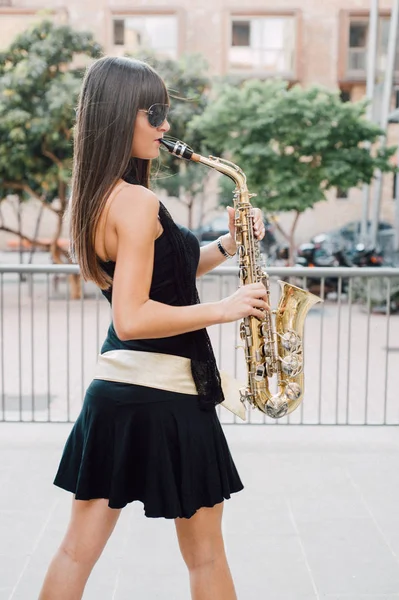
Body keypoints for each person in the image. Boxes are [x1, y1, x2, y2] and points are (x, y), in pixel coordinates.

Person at [38, 55, 268, 600]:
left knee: (74, 551)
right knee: (207, 559)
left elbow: (162, 274)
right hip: (169, 393)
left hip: (116, 392)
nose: (166, 126)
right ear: (121, 114)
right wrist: (227, 307)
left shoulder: (101, 196)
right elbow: (134, 315)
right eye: (156, 112)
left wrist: (228, 245)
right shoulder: (138, 202)